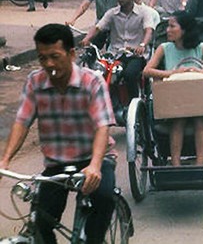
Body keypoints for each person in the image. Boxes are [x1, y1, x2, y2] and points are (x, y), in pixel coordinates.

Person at [0, 24, 116, 244]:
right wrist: (5, 161)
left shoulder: (92, 81)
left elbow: (103, 126)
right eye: (43, 58)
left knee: (103, 198)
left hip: (94, 158)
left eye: (55, 56)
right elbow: (22, 122)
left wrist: (95, 165)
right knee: (41, 222)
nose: (49, 64)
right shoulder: (34, 82)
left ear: (71, 54)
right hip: (57, 163)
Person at [143, 12, 203, 166]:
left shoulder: (200, 47)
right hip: (176, 98)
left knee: (200, 120)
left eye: (172, 26)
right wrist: (171, 73)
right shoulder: (164, 48)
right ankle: (175, 164)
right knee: (178, 121)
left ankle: (200, 163)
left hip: (198, 96)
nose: (168, 30)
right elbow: (147, 71)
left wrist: (201, 72)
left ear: (184, 30)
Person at [81, 0, 154, 99]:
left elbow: (148, 30)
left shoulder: (144, 12)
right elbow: (98, 27)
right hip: (114, 54)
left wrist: (142, 45)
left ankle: (133, 103)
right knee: (98, 72)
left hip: (135, 56)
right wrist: (87, 39)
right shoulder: (112, 13)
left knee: (129, 74)